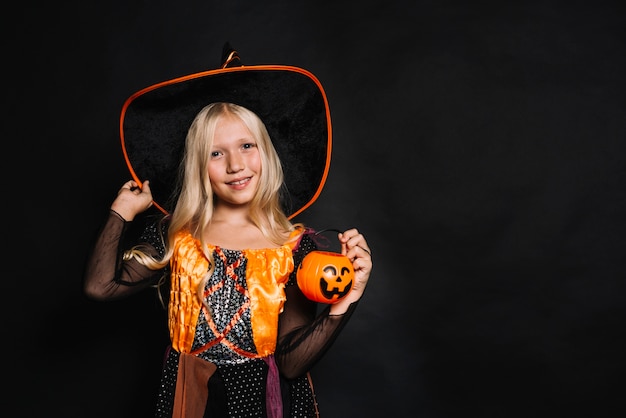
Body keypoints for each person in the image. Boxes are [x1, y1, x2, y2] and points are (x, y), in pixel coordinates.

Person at [83, 45, 373, 418]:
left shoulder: (293, 248)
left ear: (265, 154)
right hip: (191, 400)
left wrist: (345, 303)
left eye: (246, 146)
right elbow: (98, 286)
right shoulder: (178, 237)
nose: (236, 165)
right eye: (216, 154)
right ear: (198, 166)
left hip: (267, 405)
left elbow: (291, 364)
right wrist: (120, 213)